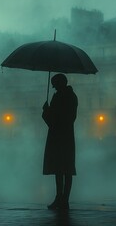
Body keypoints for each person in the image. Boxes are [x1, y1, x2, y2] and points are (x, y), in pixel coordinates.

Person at [42, 73, 78, 210]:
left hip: (58, 136)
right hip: (67, 136)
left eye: (55, 85)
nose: (54, 88)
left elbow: (53, 121)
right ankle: (64, 199)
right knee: (66, 168)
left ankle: (60, 198)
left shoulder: (58, 97)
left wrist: (46, 111)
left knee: (60, 169)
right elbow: (70, 117)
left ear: (59, 83)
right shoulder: (72, 96)